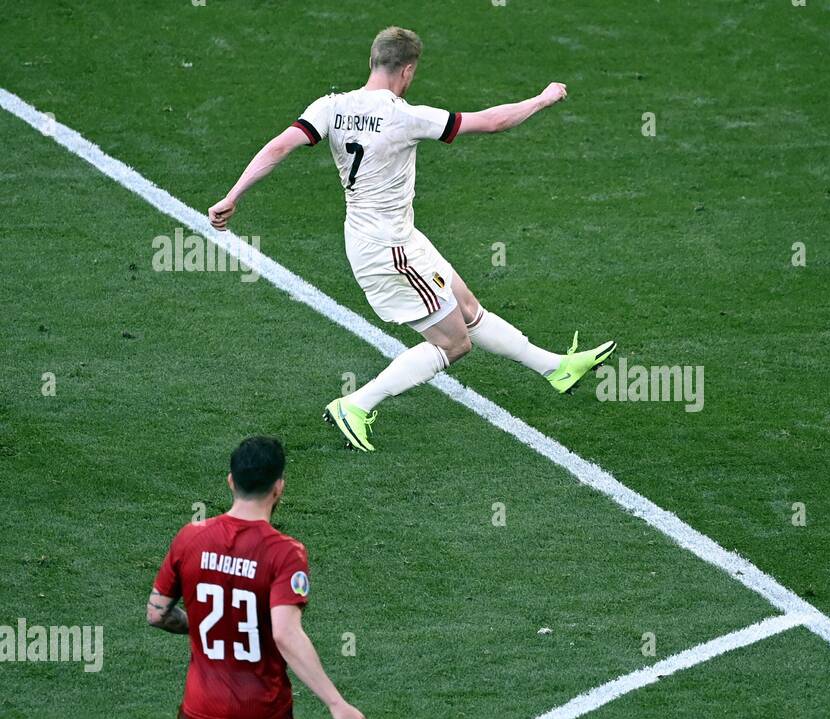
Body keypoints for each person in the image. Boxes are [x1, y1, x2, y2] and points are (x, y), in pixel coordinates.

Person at [208, 26, 616, 452]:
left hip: (391, 236)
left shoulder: (330, 107)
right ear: (406, 70)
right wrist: (543, 98)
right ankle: (356, 405)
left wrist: (232, 195)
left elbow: (279, 147)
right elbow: (493, 123)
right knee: (453, 343)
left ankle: (556, 367)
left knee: (468, 307)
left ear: (371, 61)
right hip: (390, 250)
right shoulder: (404, 115)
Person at [148, 435, 369, 719]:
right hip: (260, 714)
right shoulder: (284, 553)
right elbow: (285, 634)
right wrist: (336, 703)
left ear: (231, 481)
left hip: (200, 709)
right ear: (278, 487)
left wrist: (210, 625)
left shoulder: (190, 537)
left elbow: (157, 614)